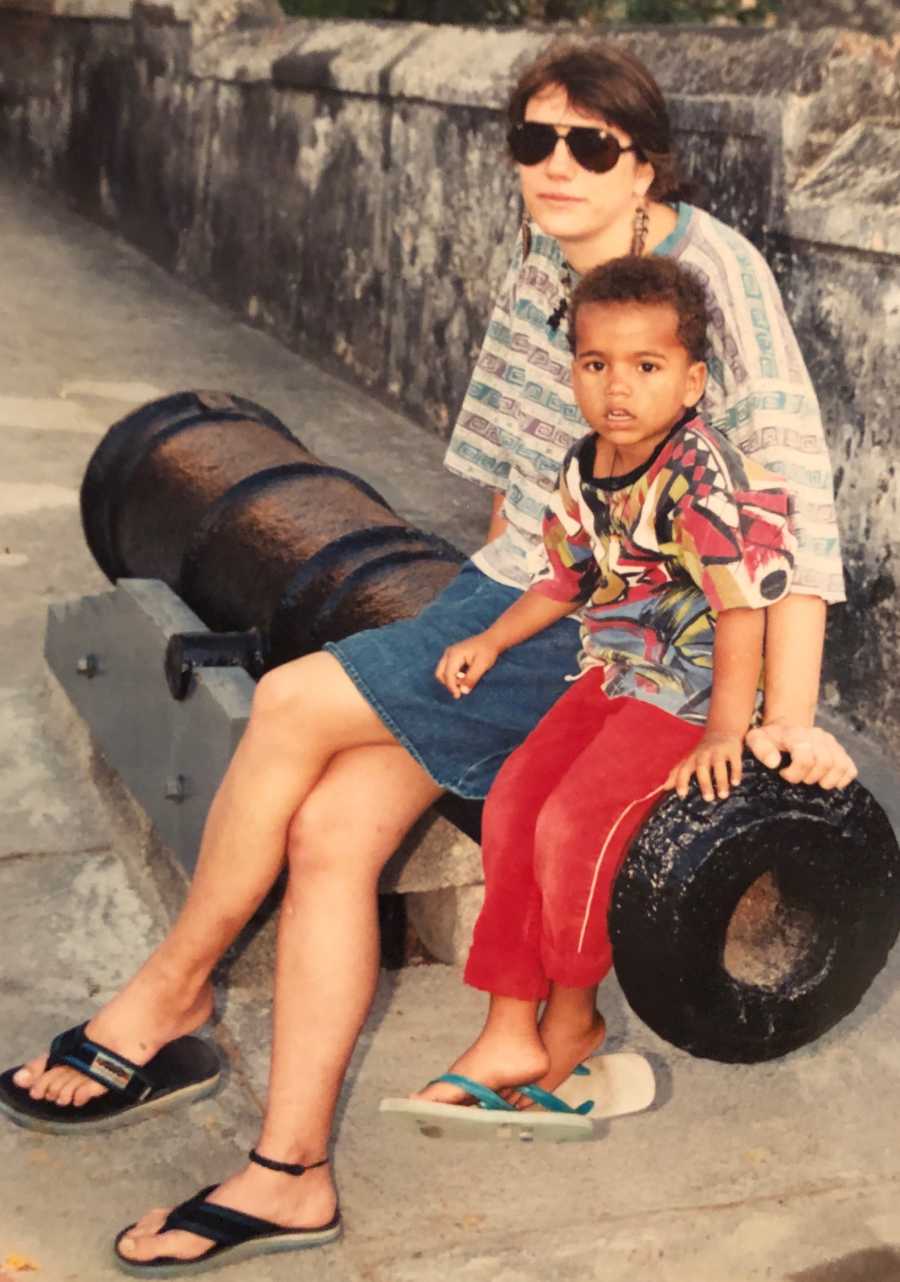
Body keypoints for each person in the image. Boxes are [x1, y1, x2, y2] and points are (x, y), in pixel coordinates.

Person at [0, 38, 855, 1272]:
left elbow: (790, 496)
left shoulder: (709, 273)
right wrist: (477, 606)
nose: (555, 165)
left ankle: (171, 990)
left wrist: (785, 710)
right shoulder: (537, 277)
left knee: (292, 702)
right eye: (534, 141)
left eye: (590, 145)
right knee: (333, 829)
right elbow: (522, 504)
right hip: (526, 600)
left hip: (619, 636)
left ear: (644, 165)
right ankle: (290, 1171)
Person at [404, 254, 797, 1128]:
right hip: (616, 666)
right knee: (512, 802)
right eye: (595, 365)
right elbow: (565, 577)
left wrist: (723, 733)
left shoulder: (703, 475)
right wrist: (490, 638)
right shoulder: (586, 467)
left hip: (692, 690)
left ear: (691, 381)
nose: (618, 388)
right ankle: (510, 1022)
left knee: (574, 824)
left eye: (646, 367)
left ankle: (571, 1017)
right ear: (574, 371)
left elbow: (743, 611)